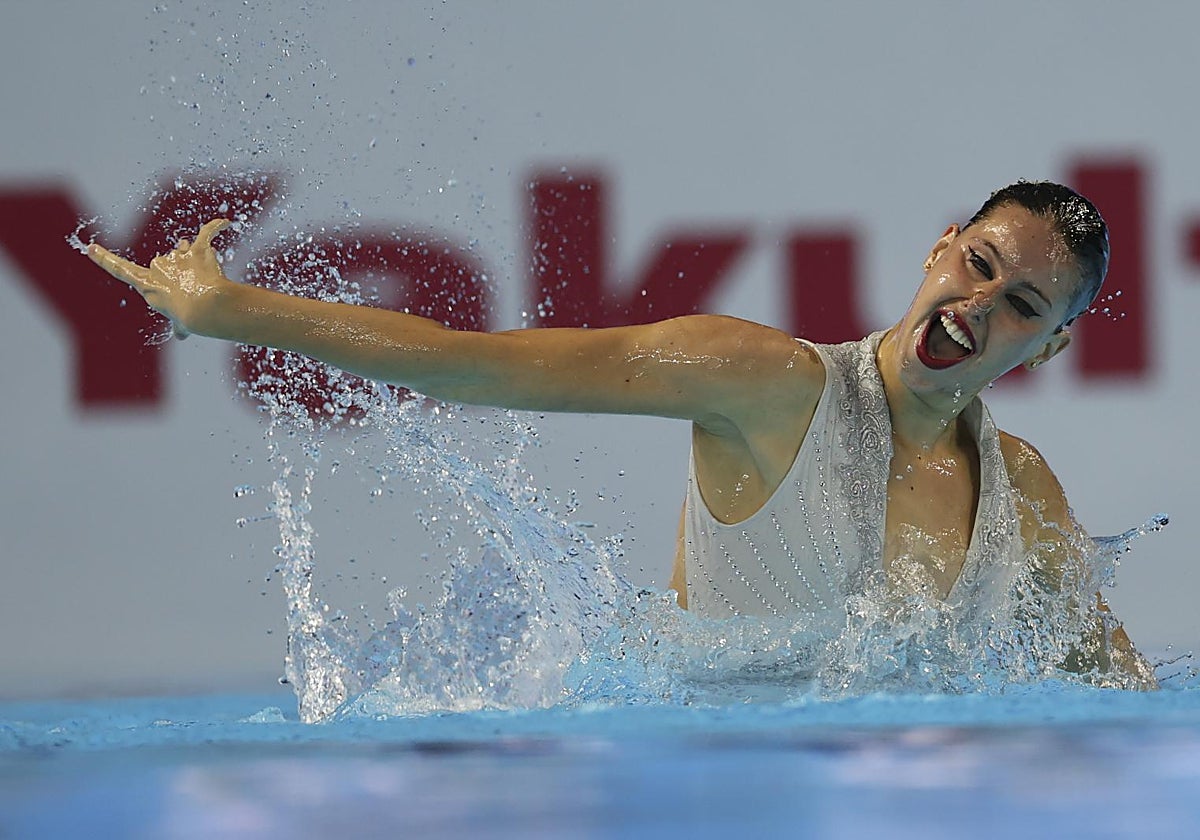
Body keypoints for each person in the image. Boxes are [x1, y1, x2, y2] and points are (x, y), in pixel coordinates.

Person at [87, 180, 1154, 686]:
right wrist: (236, 311)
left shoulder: (1020, 490)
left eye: (1023, 305)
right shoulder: (767, 385)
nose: (979, 305)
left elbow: (1110, 680)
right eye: (978, 264)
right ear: (940, 247)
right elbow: (481, 363)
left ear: (1049, 347)